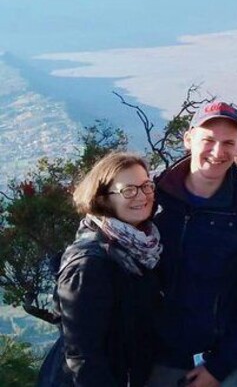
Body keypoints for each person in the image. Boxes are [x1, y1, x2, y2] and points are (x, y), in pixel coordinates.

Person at [149, 101, 237, 387]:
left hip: (216, 362)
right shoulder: (152, 198)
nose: (218, 152)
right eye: (208, 140)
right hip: (152, 359)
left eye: (228, 143)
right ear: (188, 139)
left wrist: (219, 367)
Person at [38, 152, 161, 387]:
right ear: (104, 198)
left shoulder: (140, 247)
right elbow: (82, 355)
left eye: (146, 186)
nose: (142, 196)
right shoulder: (89, 263)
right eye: (129, 190)